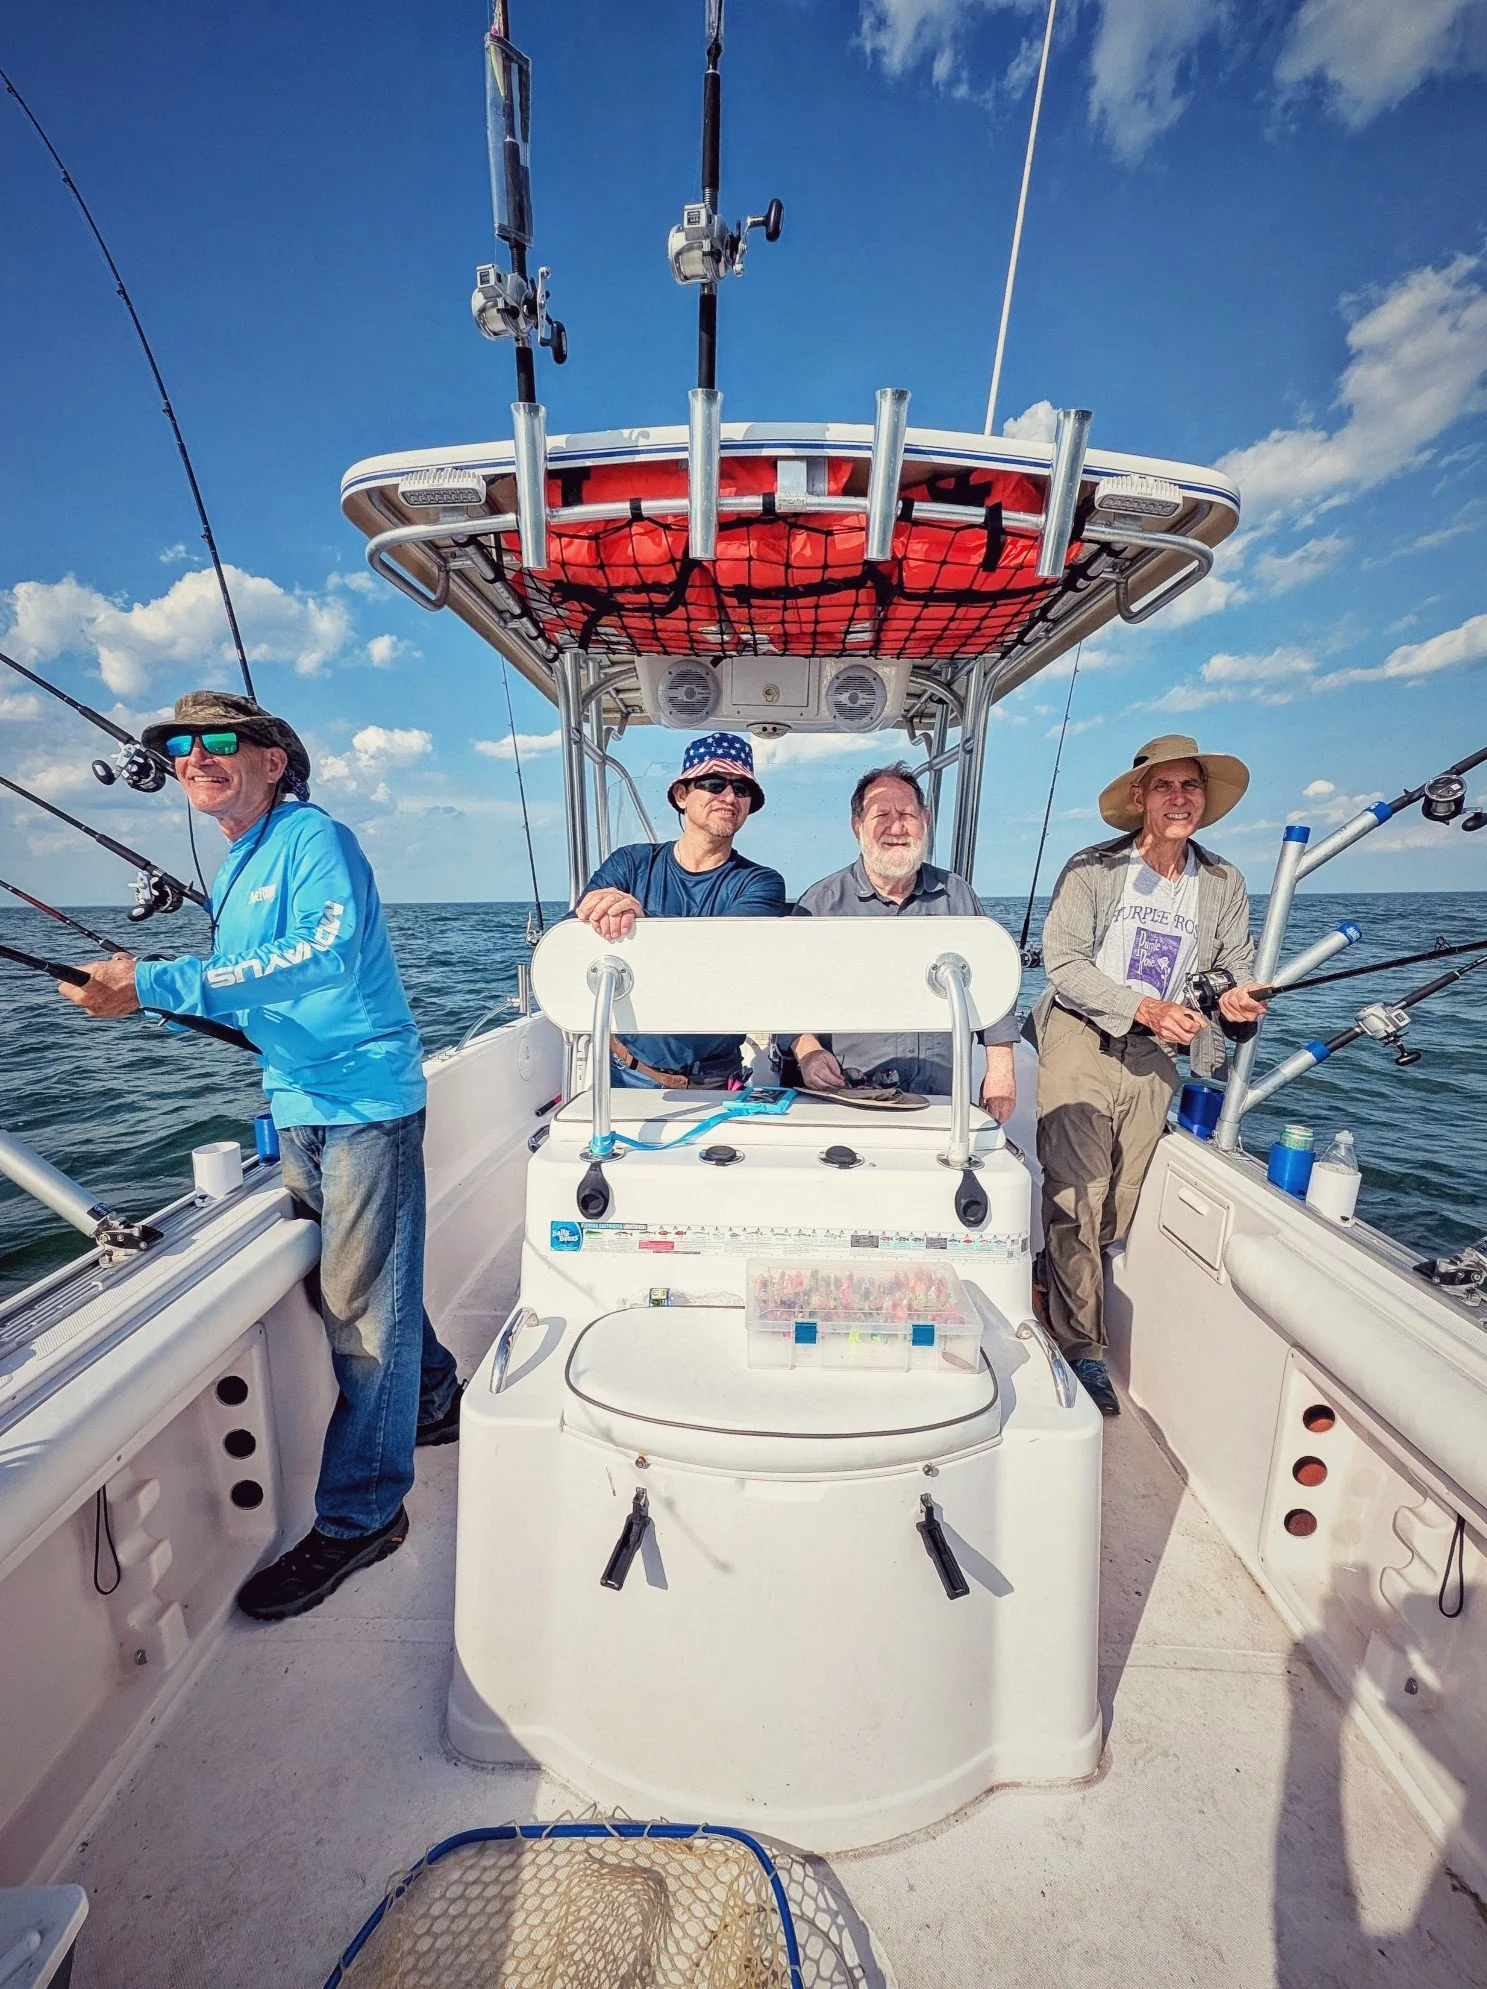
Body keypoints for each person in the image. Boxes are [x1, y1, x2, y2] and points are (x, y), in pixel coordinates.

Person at [59, 690, 461, 1619]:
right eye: (179, 747)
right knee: (363, 1286)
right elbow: (245, 988)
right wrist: (133, 992)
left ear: (273, 759)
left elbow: (318, 955)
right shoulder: (240, 862)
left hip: (364, 1105)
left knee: (361, 1314)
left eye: (216, 740)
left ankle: (365, 1516)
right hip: (298, 1102)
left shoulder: (317, 838)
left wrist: (154, 978)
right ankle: (434, 1398)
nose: (194, 756)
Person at [1030, 733, 1268, 1417]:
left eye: (1189, 786)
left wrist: (1235, 1000)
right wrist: (1142, 1005)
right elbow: (1064, 963)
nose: (1177, 798)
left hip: (1156, 1057)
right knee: (1078, 1195)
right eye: (1163, 787)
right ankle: (1081, 1347)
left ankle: (1057, 1274)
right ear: (1138, 797)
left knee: (1116, 1205)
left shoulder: (1221, 881)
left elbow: (1233, 963)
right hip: (1081, 1036)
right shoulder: (1092, 868)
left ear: (1203, 798)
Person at [785, 763, 1019, 1119]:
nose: (896, 827)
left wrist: (1001, 1070)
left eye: (907, 814)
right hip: (849, 1099)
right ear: (856, 826)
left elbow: (992, 986)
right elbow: (786, 994)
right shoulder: (820, 904)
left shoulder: (956, 896)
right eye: (882, 814)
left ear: (925, 821)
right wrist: (808, 1051)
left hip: (943, 1097)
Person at [574, 732, 786, 1087]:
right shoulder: (628, 863)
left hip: (716, 1080)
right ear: (681, 795)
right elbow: (575, 937)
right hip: (623, 1071)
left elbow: (723, 950)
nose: (729, 797)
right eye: (714, 784)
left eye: (742, 789)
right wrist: (593, 913)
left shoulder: (761, 883)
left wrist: (639, 926)